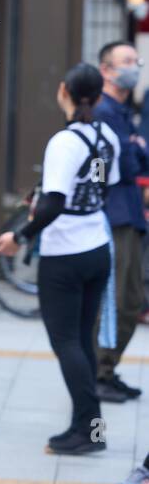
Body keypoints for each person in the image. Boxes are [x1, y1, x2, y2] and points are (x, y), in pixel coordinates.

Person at [0, 63, 118, 456]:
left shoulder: (65, 142)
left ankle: (87, 427)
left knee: (66, 341)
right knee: (81, 339)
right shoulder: (107, 135)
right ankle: (87, 425)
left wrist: (19, 237)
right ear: (97, 97)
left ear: (63, 91)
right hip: (97, 245)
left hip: (65, 254)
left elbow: (56, 204)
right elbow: (103, 190)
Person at [92, 40, 146, 402]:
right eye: (126, 61)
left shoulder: (124, 112)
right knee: (117, 301)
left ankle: (107, 370)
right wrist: (137, 148)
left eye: (136, 60)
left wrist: (138, 150)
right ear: (106, 70)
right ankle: (98, 372)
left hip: (130, 214)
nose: (135, 65)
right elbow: (125, 165)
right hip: (113, 216)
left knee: (131, 298)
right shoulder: (103, 112)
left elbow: (139, 161)